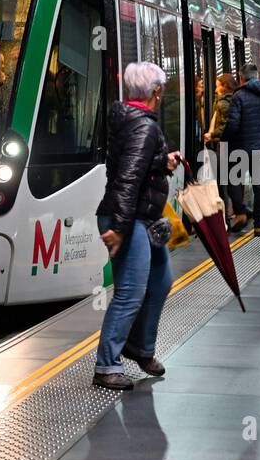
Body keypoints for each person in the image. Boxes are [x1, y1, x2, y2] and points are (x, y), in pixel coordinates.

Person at [93, 61, 182, 391]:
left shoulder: (131, 120)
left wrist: (162, 161)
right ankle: (106, 365)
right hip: (129, 219)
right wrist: (118, 226)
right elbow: (128, 179)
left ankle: (139, 347)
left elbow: (134, 164)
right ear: (156, 91)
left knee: (161, 280)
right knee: (130, 293)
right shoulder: (144, 127)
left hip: (139, 217)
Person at [223, 62, 260, 236]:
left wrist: (224, 138)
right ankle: (259, 226)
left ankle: (241, 212)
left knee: (234, 180)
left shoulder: (238, 96)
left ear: (242, 78)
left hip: (241, 147)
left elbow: (233, 124)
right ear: (257, 76)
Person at [203, 73, 237, 223]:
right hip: (229, 145)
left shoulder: (224, 103)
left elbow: (224, 125)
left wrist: (212, 135)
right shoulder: (231, 99)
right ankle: (231, 210)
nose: (215, 90)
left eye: (217, 86)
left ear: (225, 87)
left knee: (222, 179)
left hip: (223, 144)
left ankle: (226, 213)